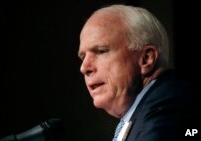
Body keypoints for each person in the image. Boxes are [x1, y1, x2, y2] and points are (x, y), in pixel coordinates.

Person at [78, 4, 199, 141]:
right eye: (83, 57)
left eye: (101, 51)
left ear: (146, 59)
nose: (84, 67)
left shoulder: (170, 104)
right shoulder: (141, 114)